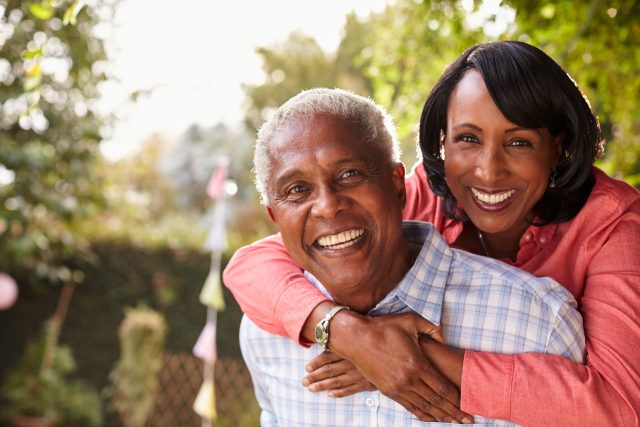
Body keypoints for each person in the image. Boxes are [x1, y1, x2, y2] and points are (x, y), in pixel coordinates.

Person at [225, 41, 640, 426]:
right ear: (442, 143)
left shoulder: (613, 223)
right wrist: (349, 335)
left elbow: (621, 406)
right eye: (467, 139)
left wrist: (406, 361)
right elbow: (253, 264)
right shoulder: (428, 189)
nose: (489, 170)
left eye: (519, 143)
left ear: (557, 146)